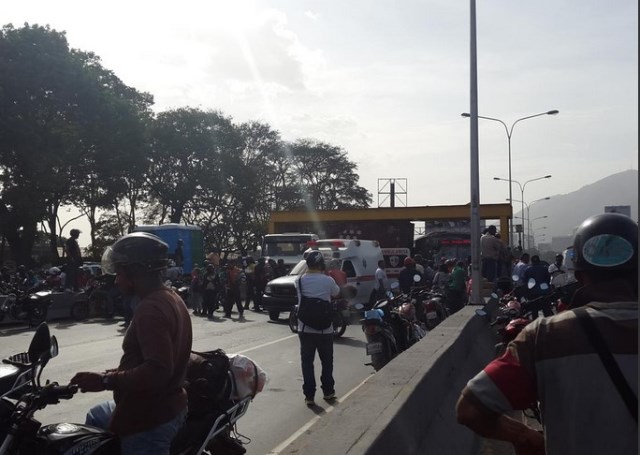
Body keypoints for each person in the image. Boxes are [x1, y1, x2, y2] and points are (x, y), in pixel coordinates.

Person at [456, 212, 638, 455]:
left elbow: (470, 409)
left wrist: (524, 437)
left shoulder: (545, 336)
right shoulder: (532, 273)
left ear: (579, 274)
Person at [70, 232, 193, 455]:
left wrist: (107, 380)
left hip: (149, 420)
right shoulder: (170, 296)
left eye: (119, 272)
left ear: (136, 271)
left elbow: (158, 370)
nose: (116, 280)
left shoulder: (150, 309)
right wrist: (110, 374)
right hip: (166, 405)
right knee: (97, 415)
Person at [295, 251, 340, 406]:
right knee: (327, 362)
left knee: (307, 363)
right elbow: (337, 293)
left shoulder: (299, 280)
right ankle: (328, 392)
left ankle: (309, 396)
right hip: (325, 330)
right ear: (322, 264)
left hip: (305, 329)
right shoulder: (328, 280)